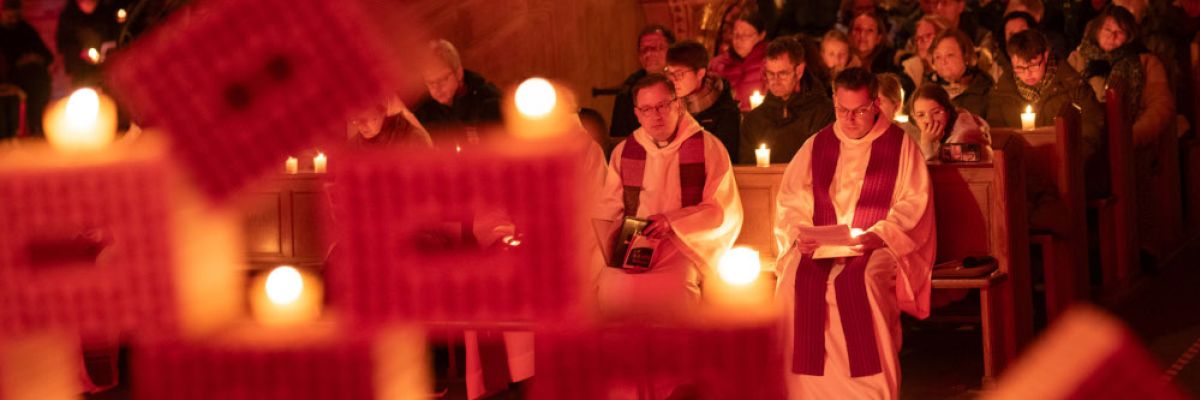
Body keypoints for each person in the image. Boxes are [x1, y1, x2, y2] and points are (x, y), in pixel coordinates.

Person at [775, 67, 934, 399]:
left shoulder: (900, 146)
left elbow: (913, 204)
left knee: (859, 283)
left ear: (875, 103)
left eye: (859, 110)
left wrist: (879, 235)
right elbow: (791, 201)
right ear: (834, 101)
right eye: (842, 110)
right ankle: (805, 392)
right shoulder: (817, 145)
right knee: (794, 279)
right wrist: (798, 235)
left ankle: (868, 391)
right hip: (820, 246)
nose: (849, 119)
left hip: (877, 247)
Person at [594, 73, 743, 323]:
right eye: (647, 109)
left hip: (682, 245)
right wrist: (618, 241)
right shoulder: (625, 151)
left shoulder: (708, 147)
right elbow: (610, 209)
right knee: (612, 291)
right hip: (634, 247)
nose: (656, 115)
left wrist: (672, 222)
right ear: (637, 114)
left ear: (678, 104)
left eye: (662, 106)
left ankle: (675, 359)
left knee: (673, 295)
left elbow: (721, 209)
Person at [1067, 6, 1174, 148]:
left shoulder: (1145, 62)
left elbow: (1160, 105)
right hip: (1087, 142)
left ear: (1130, 36)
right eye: (1108, 29)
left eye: (1120, 32)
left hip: (1133, 143)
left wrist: (1132, 136)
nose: (1112, 36)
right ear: (1097, 30)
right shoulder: (1077, 59)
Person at [739, 37, 835, 165]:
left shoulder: (823, 112)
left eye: (783, 74)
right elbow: (748, 172)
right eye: (770, 74)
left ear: (799, 71)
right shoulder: (754, 121)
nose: (775, 81)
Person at [411, 39, 502, 150]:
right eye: (430, 82)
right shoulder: (424, 113)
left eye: (442, 79)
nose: (436, 88)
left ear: (458, 73)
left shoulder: (490, 103)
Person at [665, 40, 742, 157]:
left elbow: (724, 157)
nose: (673, 80)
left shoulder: (724, 111)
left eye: (679, 74)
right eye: (669, 73)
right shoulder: (666, 104)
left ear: (700, 73)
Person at [611, 25, 675, 138]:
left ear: (672, 50)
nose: (648, 54)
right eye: (644, 50)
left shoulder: (684, 82)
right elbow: (619, 134)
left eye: (656, 48)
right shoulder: (629, 89)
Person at [0, 0, 51, 136]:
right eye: (9, 17)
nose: (13, 20)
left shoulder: (25, 29)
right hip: (10, 75)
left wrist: (36, 58)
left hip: (33, 74)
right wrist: (19, 62)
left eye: (16, 16)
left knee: (39, 80)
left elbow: (46, 55)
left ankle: (37, 123)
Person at [908, 83, 992, 160]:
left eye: (936, 112)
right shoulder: (911, 134)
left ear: (948, 112)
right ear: (914, 117)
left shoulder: (965, 133)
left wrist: (927, 144)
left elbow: (933, 172)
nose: (929, 120)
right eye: (921, 115)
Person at [708, 10, 768, 112]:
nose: (739, 39)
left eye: (746, 35)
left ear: (761, 35)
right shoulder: (717, 64)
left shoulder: (769, 64)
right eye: (735, 34)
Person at [928, 29, 994, 117]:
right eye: (938, 57)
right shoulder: (926, 89)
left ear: (966, 57)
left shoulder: (986, 90)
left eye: (950, 55)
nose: (943, 62)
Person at [55, 0, 119, 88]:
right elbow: (63, 43)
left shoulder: (106, 14)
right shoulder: (69, 17)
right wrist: (81, 53)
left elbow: (115, 36)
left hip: (106, 68)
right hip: (81, 70)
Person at [348, 99, 432, 148]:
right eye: (355, 121)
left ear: (383, 111)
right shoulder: (353, 147)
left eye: (365, 120)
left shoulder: (412, 139)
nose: (361, 126)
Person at [896, 15, 951, 88]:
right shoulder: (913, 68)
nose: (921, 42)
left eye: (927, 36)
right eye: (918, 38)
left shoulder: (954, 68)